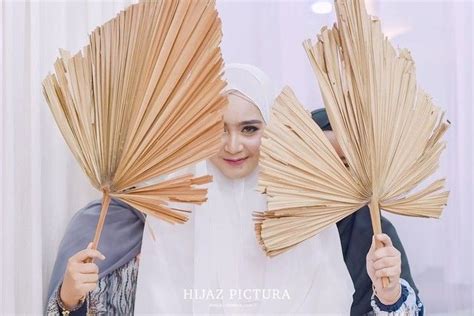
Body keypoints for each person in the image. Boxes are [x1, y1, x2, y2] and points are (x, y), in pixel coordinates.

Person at [46, 64, 423, 315]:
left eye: (250, 129)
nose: (233, 146)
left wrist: (389, 297)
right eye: (217, 129)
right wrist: (67, 300)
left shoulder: (299, 216)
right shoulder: (173, 213)